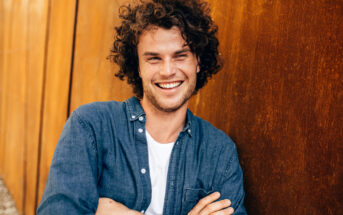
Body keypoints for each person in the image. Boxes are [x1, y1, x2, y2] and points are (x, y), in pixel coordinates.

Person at [37, 0, 247, 214]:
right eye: (154, 58)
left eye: (180, 56)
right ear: (138, 66)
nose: (167, 71)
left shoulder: (219, 152)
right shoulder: (92, 126)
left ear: (198, 61)